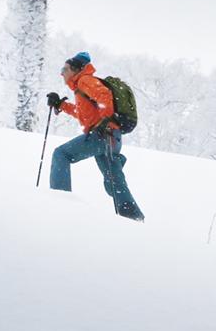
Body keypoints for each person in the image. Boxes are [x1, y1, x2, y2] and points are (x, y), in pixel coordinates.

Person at [46, 52, 144, 221]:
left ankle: (60, 202)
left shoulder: (85, 80)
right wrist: (61, 105)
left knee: (61, 154)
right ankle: (133, 217)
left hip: (103, 136)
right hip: (113, 137)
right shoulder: (81, 87)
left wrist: (105, 121)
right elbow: (84, 115)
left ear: (75, 69)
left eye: (65, 69)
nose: (61, 72)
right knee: (114, 182)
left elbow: (104, 95)